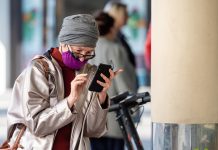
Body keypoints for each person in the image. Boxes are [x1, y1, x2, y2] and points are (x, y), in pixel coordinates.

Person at [6, 14, 122, 150]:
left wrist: (101, 97)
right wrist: (71, 100)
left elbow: (93, 131)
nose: (82, 59)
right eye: (78, 51)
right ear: (63, 43)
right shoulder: (39, 70)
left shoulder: (89, 72)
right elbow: (37, 125)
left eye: (89, 52)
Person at [89, 11, 137, 150]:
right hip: (113, 118)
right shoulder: (115, 49)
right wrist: (132, 108)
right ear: (112, 29)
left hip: (91, 119)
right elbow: (123, 83)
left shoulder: (87, 49)